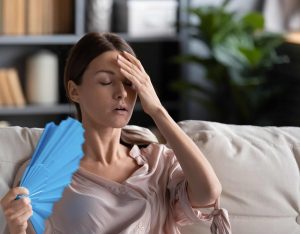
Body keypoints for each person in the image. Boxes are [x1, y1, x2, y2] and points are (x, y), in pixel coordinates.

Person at [0, 32, 231, 234]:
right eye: (106, 82)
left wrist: (158, 111)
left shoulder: (158, 163)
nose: (121, 93)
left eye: (130, 83)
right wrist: (16, 228)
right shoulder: (44, 172)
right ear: (74, 91)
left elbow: (209, 192)